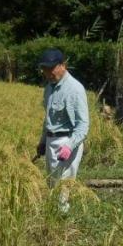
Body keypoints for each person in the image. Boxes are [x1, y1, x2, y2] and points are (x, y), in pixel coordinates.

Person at [36, 49, 89, 210]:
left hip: (67, 141)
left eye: (51, 68)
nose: (48, 72)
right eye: (45, 69)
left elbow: (83, 124)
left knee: (63, 185)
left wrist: (69, 146)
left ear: (63, 66)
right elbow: (48, 119)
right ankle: (53, 217)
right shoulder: (49, 88)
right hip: (52, 140)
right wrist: (43, 141)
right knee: (52, 182)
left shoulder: (75, 89)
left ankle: (62, 218)